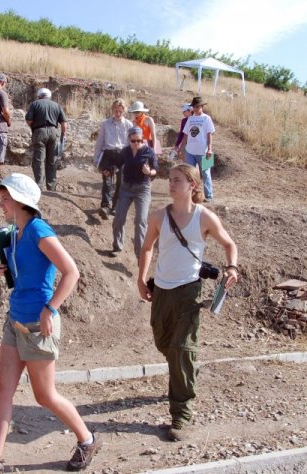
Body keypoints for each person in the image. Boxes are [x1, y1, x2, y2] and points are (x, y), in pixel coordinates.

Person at [0, 173, 100, 473]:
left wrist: (50, 309)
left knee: (44, 395)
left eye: (5, 197)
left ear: (19, 200)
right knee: (2, 390)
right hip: (16, 319)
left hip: (38, 324)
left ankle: (87, 440)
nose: (1, 203)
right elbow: (29, 272)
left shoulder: (38, 229)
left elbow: (71, 272)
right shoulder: (16, 232)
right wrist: (7, 269)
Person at [137, 163, 239, 442]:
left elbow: (230, 245)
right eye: (169, 179)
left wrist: (232, 268)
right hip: (162, 290)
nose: (171, 184)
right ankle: (182, 375)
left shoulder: (204, 218)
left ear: (192, 185)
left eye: (177, 180)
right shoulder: (159, 215)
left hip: (189, 292)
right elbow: (147, 248)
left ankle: (181, 414)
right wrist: (141, 278)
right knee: (164, 343)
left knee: (182, 349)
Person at [111, 126, 158, 258]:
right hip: (126, 188)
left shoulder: (149, 151)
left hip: (142, 188)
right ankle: (117, 246)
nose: (137, 143)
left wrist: (149, 172)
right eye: (133, 141)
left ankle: (140, 255)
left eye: (139, 140)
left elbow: (156, 170)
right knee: (119, 218)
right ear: (129, 139)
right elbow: (117, 165)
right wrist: (109, 170)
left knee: (140, 221)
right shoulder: (125, 151)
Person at [93, 98, 133, 219]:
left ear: (124, 110)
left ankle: (115, 206)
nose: (117, 112)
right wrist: (96, 159)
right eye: (115, 109)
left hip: (122, 155)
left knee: (121, 182)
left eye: (120, 110)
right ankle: (105, 206)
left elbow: (131, 143)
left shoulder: (128, 125)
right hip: (108, 155)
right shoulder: (105, 124)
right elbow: (100, 142)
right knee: (107, 181)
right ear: (112, 110)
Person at [25, 88, 68, 191]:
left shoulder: (35, 104)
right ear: (49, 96)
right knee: (52, 160)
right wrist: (63, 135)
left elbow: (29, 120)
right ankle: (51, 187)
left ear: (39, 95)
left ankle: (39, 186)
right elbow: (64, 124)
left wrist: (34, 128)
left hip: (39, 132)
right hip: (54, 132)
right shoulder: (56, 105)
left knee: (39, 160)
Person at [178, 96, 215, 202]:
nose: (196, 108)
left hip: (203, 151)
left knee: (206, 173)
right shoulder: (190, 119)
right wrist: (181, 148)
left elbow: (210, 134)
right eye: (194, 106)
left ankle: (209, 196)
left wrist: (210, 149)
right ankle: (190, 195)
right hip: (190, 151)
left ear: (202, 106)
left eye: (198, 106)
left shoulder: (207, 118)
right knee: (189, 174)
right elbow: (185, 135)